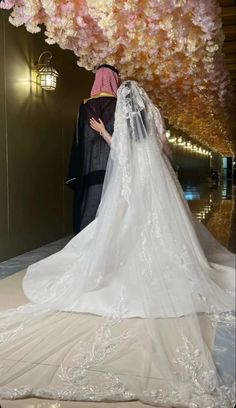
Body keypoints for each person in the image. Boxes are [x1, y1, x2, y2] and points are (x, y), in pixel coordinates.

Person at [0, 81, 235, 407]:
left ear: (123, 103)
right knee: (168, 227)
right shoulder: (154, 113)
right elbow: (165, 148)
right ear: (145, 100)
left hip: (135, 180)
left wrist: (103, 132)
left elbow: (122, 154)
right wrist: (161, 159)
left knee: (127, 226)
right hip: (158, 181)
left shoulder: (124, 118)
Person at [66, 65, 120, 234]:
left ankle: (86, 245)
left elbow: (79, 140)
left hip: (89, 167)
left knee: (89, 206)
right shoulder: (119, 106)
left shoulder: (85, 107)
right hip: (115, 167)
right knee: (114, 209)